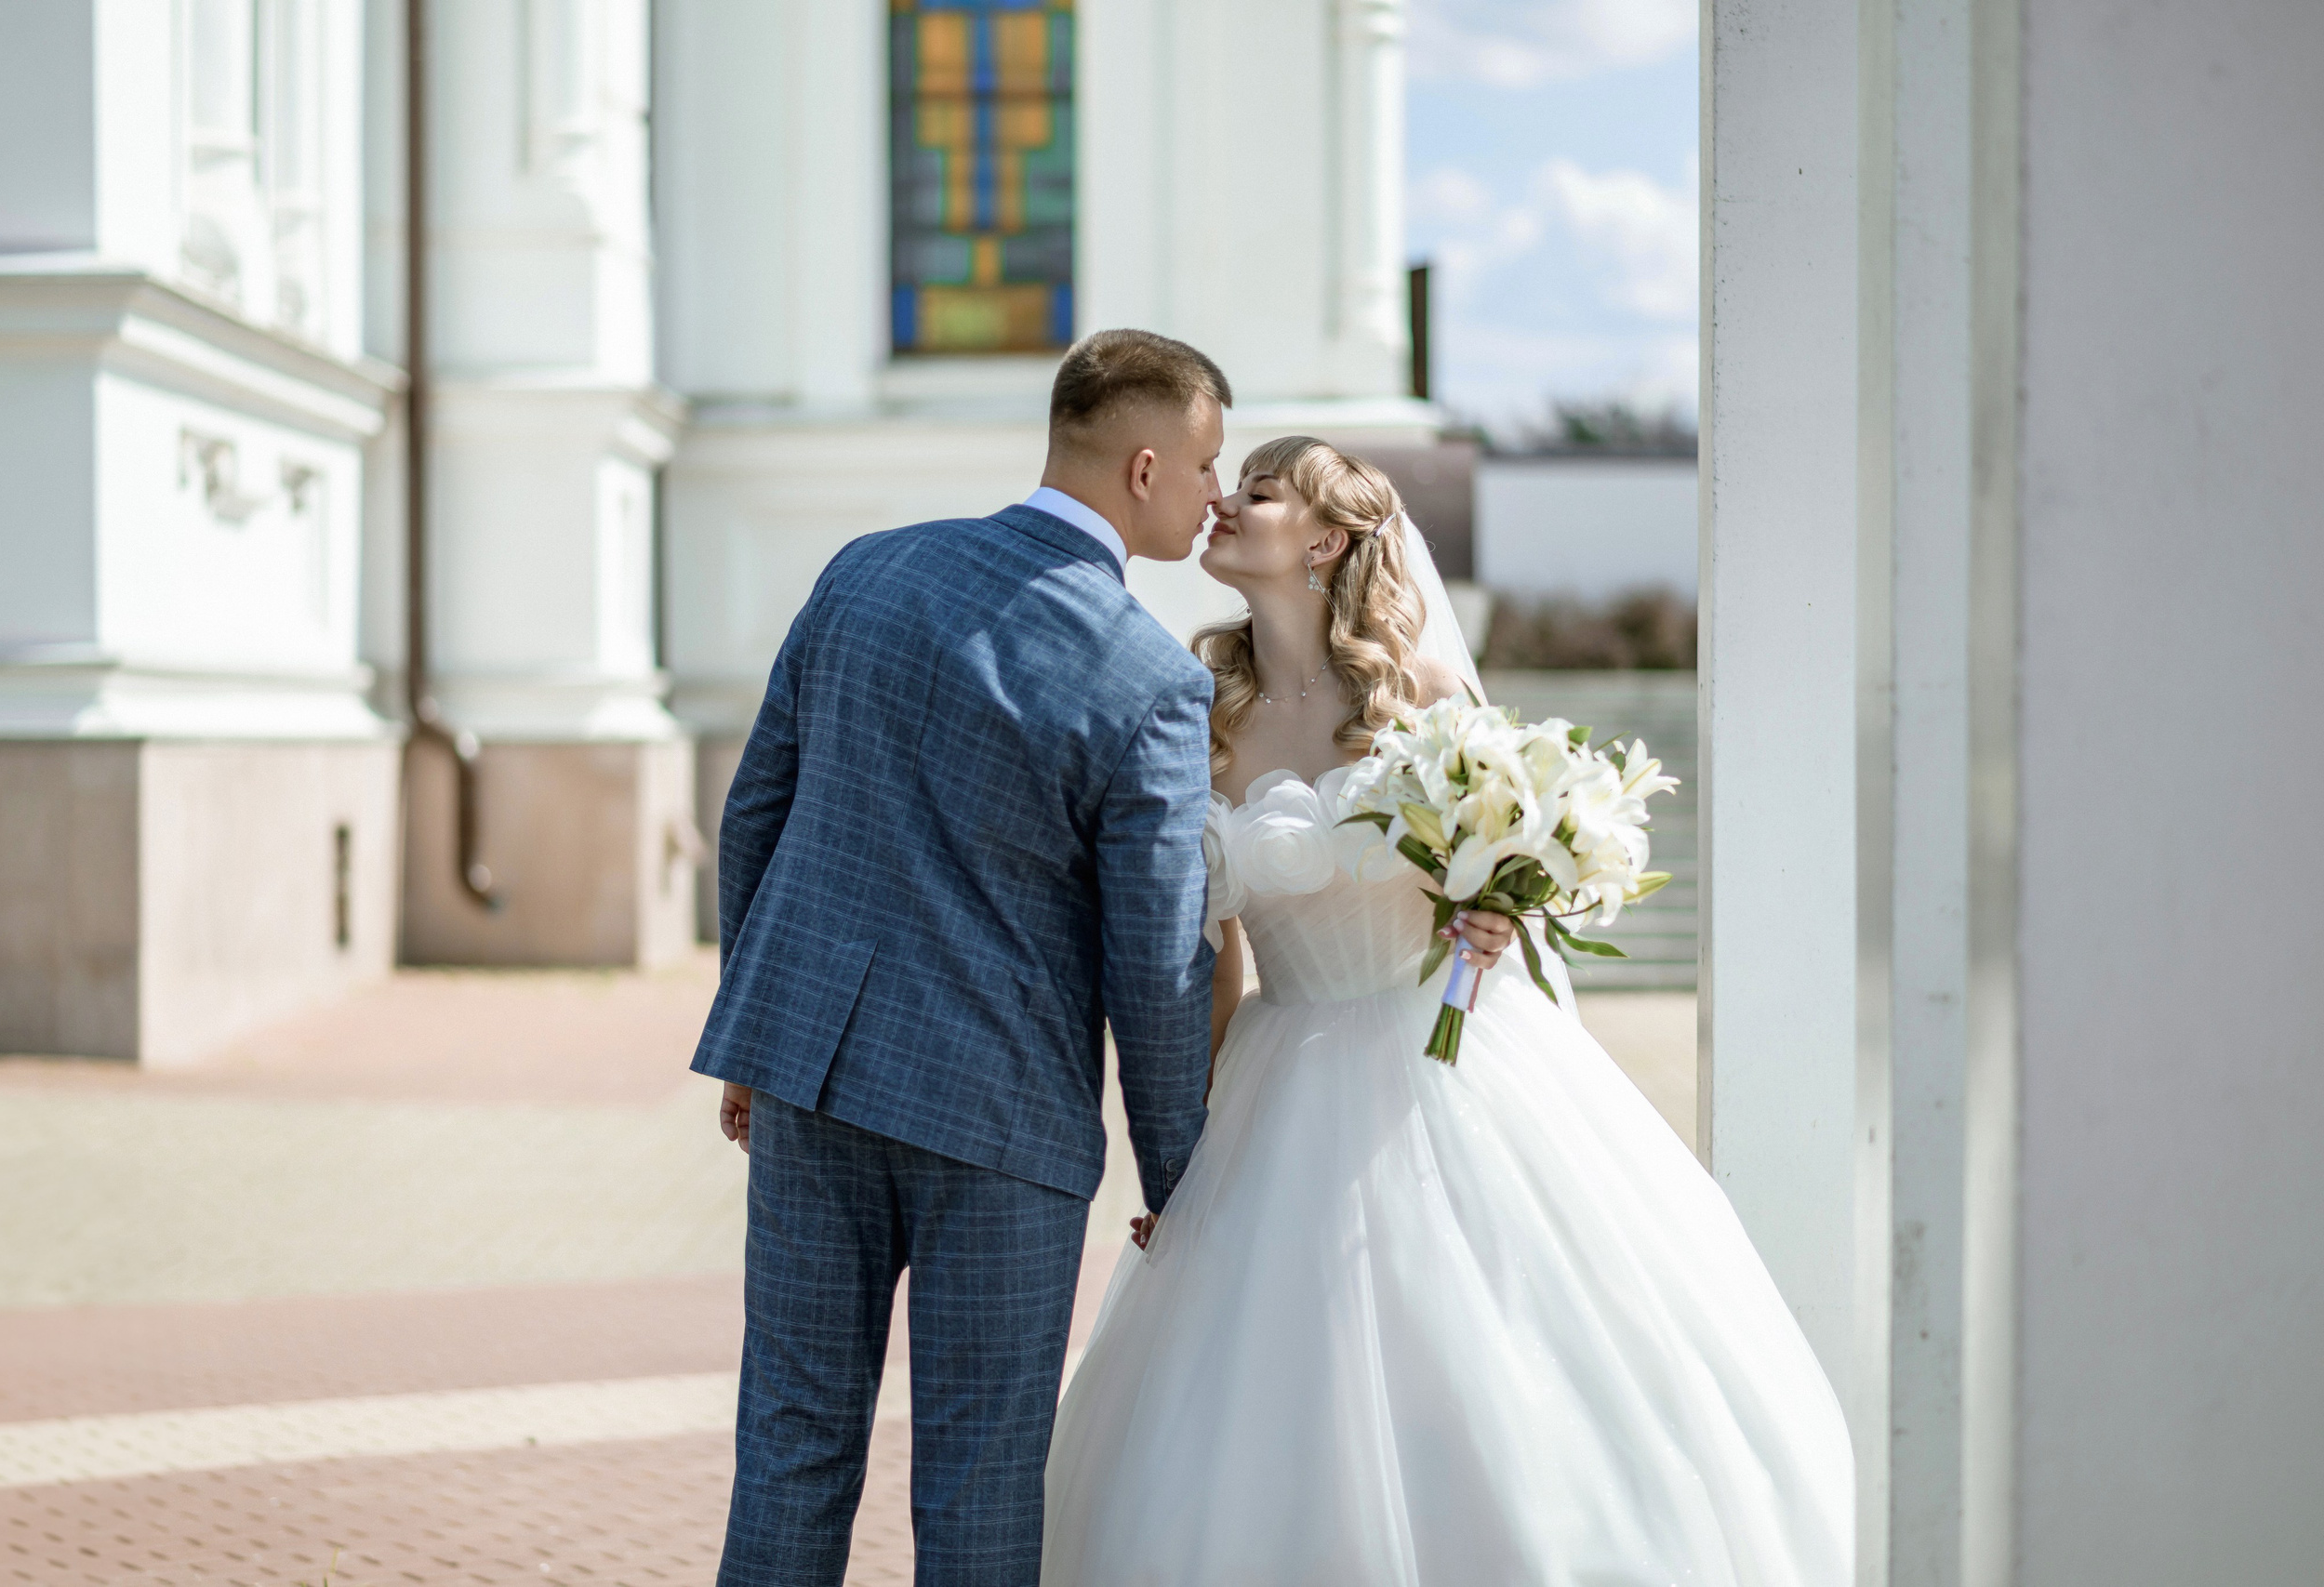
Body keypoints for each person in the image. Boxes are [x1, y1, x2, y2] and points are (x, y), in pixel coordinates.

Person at [1041, 438, 1855, 1585]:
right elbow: (1208, 949)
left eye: (1259, 492)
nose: (1222, 502)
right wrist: (1183, 1151)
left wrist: (1501, 917)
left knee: (1482, 1350)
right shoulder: (1201, 703)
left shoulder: (1416, 693)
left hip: (1452, 1063)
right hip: (1279, 1072)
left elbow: (1504, 852)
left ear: (1325, 539)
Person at [692, 329, 1234, 1587]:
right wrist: (1180, 1173)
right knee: (983, 1474)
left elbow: (754, 812)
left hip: (813, 1082)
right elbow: (1153, 959)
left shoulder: (866, 571)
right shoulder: (1152, 680)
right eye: (1207, 466)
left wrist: (753, 1036)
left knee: (789, 1442)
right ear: (1146, 467)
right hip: (1002, 1127)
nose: (1215, 494)